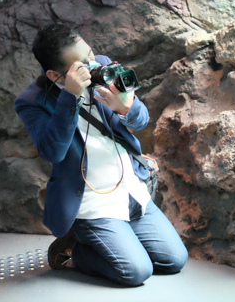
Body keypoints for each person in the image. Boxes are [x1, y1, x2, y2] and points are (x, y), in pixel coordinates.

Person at [14, 24, 188, 286]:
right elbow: (53, 151)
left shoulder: (103, 66)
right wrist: (71, 96)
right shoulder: (32, 100)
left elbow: (140, 120)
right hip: (92, 202)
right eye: (81, 65)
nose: (92, 64)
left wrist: (126, 107)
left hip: (131, 191)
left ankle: (116, 240)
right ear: (54, 74)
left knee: (173, 260)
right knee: (135, 271)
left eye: (90, 54)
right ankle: (74, 250)